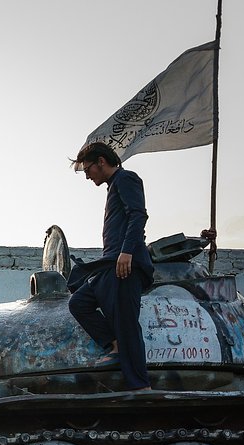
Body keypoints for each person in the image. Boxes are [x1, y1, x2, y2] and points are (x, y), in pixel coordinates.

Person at [68, 141, 154, 391]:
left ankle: (141, 387)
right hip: (112, 264)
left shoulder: (127, 178)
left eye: (87, 170)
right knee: (79, 302)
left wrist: (127, 252)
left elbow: (138, 215)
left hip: (126, 263)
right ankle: (114, 345)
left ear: (101, 162)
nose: (87, 176)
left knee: (127, 322)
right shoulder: (114, 186)